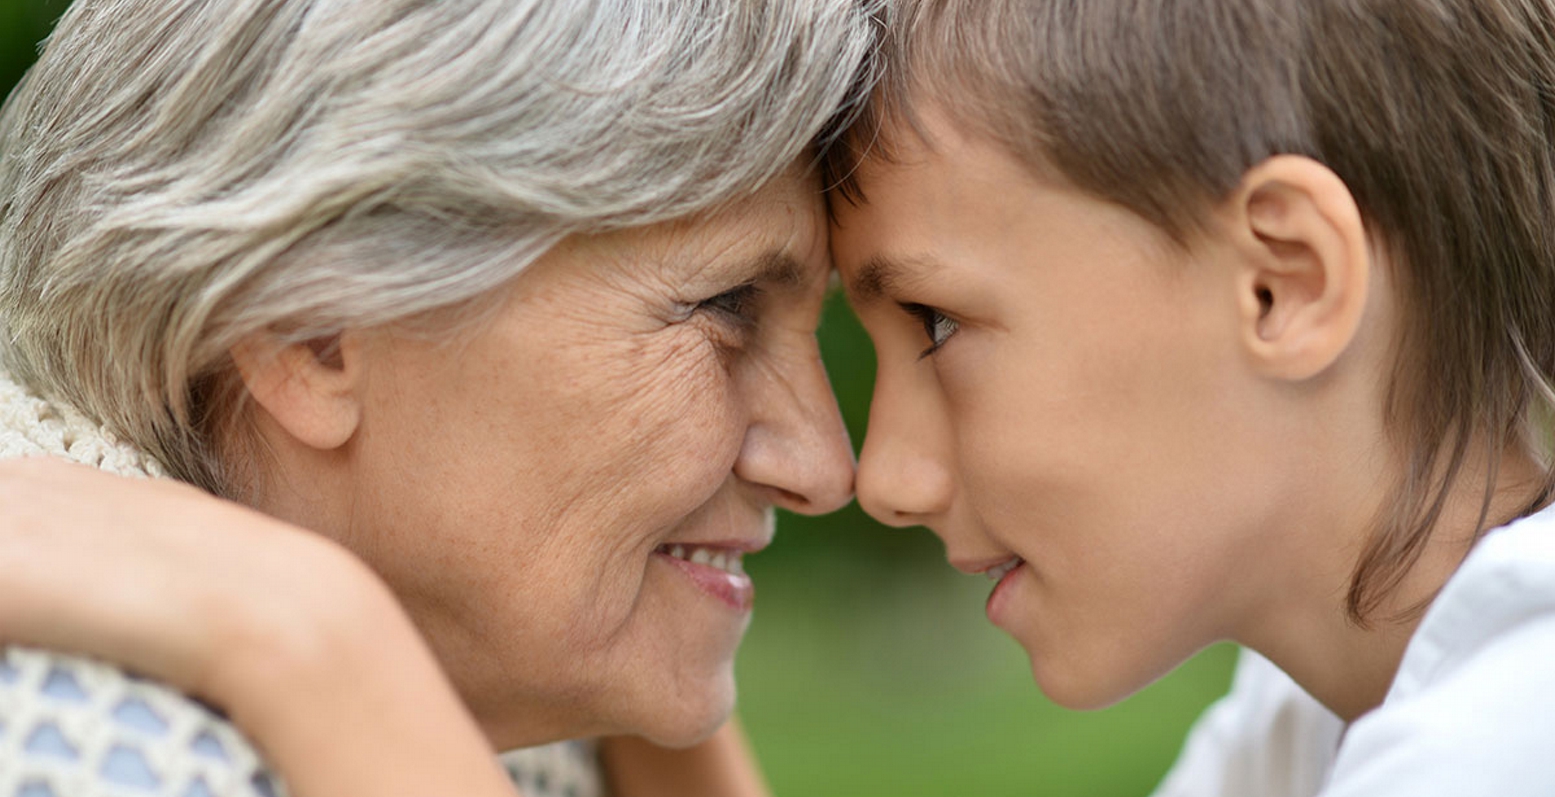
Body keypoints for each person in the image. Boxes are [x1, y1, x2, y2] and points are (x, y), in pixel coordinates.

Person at [0, 0, 873, 794]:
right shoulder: (98, 751)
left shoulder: (511, 714)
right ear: (312, 335)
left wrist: (313, 633)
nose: (825, 466)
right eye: (726, 307)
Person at [823, 0, 1555, 795]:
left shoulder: (1492, 747)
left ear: (1282, 283)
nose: (885, 479)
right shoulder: (1300, 723)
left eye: (935, 322)